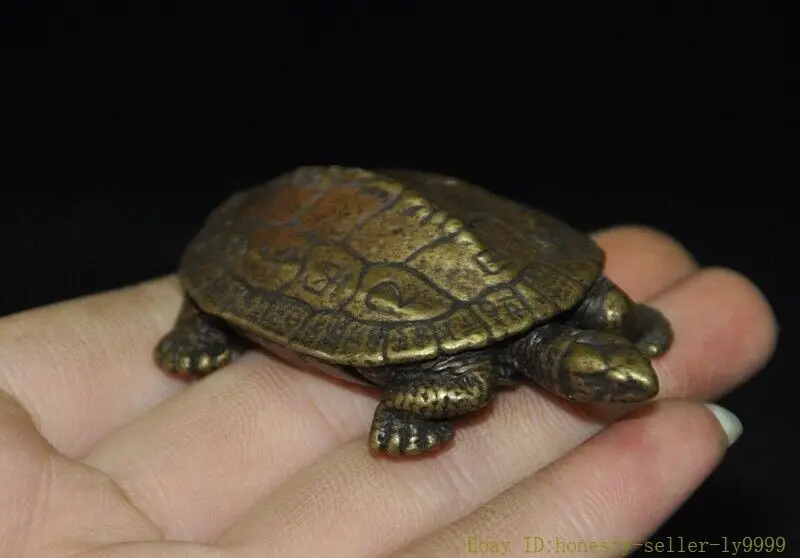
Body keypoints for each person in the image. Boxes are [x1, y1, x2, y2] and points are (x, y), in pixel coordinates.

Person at [0, 226, 776, 558]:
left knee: (601, 299)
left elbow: (608, 303)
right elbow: (444, 383)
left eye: (609, 371)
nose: (625, 380)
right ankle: (205, 317)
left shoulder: (589, 308)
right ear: (558, 372)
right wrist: (411, 408)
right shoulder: (471, 371)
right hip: (280, 253)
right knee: (464, 381)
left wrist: (625, 321)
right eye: (605, 375)